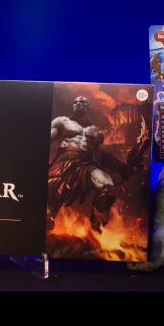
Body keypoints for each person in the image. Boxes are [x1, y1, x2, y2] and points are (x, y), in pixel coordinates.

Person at [46, 96, 126, 234]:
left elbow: (101, 154)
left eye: (82, 102)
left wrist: (117, 165)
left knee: (107, 185)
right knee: (49, 191)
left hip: (85, 163)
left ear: (88, 107)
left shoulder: (96, 132)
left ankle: (96, 217)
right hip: (64, 160)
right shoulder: (62, 122)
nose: (78, 103)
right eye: (75, 102)